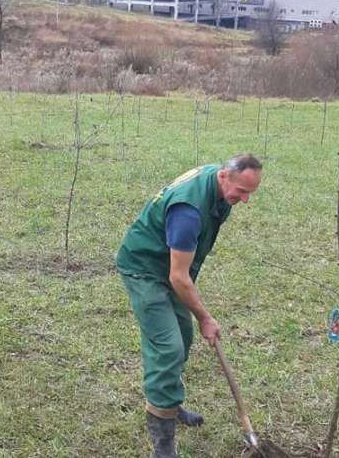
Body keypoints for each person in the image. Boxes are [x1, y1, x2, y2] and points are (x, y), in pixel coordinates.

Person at [116, 153, 263, 458]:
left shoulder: (217, 184)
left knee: (182, 338)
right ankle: (163, 444)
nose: (245, 200)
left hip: (169, 268)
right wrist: (205, 317)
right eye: (242, 191)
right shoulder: (189, 210)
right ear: (224, 176)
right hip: (145, 269)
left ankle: (170, 403)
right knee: (167, 348)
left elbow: (181, 271)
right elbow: (179, 276)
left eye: (250, 193)